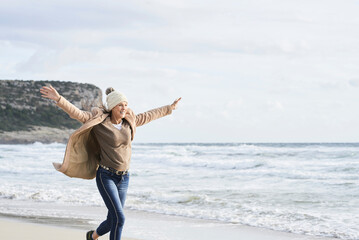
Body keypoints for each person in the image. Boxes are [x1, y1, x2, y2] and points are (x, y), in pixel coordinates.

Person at [40, 85, 181, 240]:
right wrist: (59, 99)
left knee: (112, 219)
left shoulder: (129, 121)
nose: (124, 108)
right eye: (121, 105)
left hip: (124, 178)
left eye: (126, 105)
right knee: (119, 218)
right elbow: (78, 114)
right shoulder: (100, 121)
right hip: (106, 176)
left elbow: (149, 115)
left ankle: (92, 236)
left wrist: (169, 108)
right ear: (113, 106)